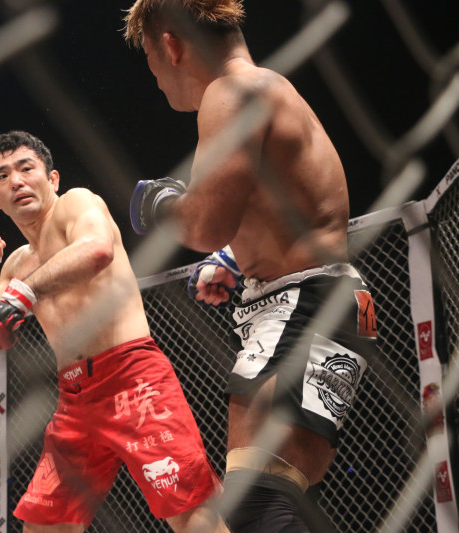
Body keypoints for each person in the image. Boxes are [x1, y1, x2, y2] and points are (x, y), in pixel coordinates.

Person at [123, 2, 378, 532]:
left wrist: (161, 202)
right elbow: (295, 203)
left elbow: (204, 224)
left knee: (256, 506)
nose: (154, 77)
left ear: (171, 45)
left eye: (148, 59)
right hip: (316, 303)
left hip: (303, 307)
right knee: (269, 501)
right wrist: (234, 261)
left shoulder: (230, 91)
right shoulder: (266, 88)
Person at [0, 130, 227, 533]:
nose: (16, 181)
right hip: (75, 400)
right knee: (45, 525)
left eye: (26, 168)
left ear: (52, 179)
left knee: (189, 511)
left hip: (133, 380)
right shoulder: (15, 265)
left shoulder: (76, 205)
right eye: (2, 176)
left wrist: (24, 293)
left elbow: (97, 249)